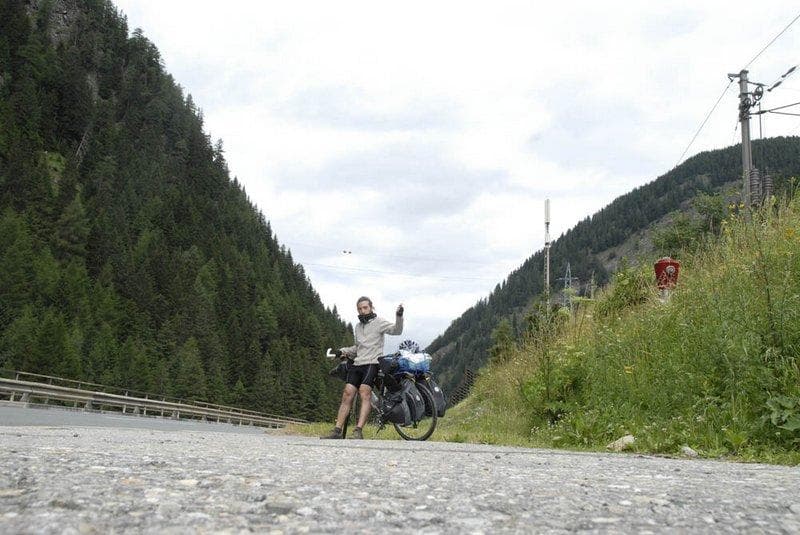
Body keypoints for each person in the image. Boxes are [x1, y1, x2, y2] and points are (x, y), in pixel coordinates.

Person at [321, 296, 404, 439]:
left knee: (364, 392)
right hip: (358, 363)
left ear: (371, 307)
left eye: (365, 307)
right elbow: (357, 348)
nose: (362, 311)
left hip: (372, 363)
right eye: (359, 309)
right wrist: (342, 351)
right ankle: (337, 431)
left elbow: (396, 330)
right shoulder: (358, 327)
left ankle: (358, 430)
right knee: (347, 394)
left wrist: (399, 316)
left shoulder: (379, 322)